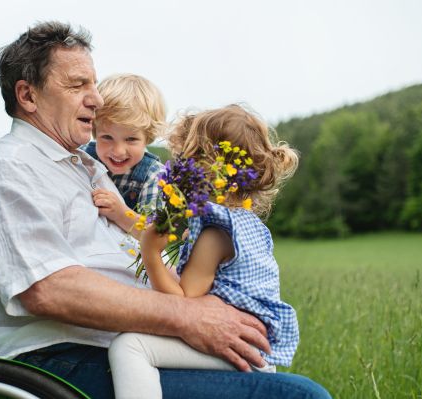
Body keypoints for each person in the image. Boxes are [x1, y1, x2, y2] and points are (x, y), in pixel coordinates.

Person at [0, 20, 331, 399]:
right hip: (60, 360)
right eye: (78, 84)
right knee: (300, 397)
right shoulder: (9, 166)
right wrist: (189, 316)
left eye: (93, 84)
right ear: (28, 97)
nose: (96, 99)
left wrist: (202, 304)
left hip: (128, 348)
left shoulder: (88, 170)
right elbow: (48, 289)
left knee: (288, 387)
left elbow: (141, 253)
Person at [108, 104, 300, 399]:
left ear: (204, 167)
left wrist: (149, 255)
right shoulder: (246, 223)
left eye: (184, 159)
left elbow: (183, 305)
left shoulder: (214, 234)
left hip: (238, 350)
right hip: (258, 347)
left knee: (129, 345)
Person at [81, 74, 167, 234]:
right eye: (107, 137)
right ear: (94, 131)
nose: (118, 151)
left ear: (147, 137)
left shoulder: (154, 174)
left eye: (131, 139)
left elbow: (156, 234)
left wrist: (121, 214)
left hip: (130, 254)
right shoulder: (83, 156)